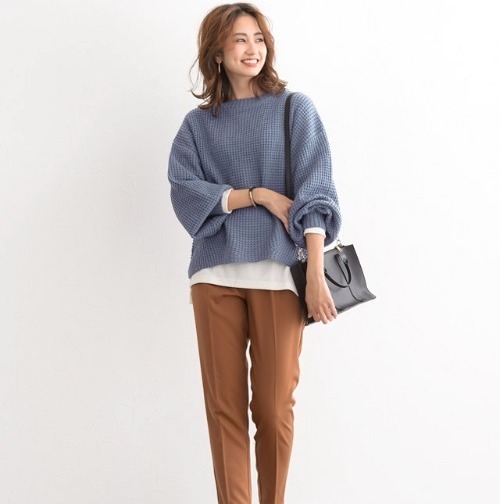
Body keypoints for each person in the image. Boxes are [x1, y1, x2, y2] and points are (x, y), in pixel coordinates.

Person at [167, 3, 342, 503]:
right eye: (240, 40)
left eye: (259, 38)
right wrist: (258, 195)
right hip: (214, 275)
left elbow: (316, 194)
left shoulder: (294, 108)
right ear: (217, 53)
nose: (252, 49)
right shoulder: (197, 126)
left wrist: (315, 275)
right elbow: (185, 192)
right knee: (224, 410)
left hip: (278, 273)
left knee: (272, 407)